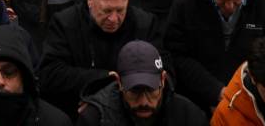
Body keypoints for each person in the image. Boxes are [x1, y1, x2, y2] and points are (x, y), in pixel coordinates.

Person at [38, 0, 165, 113]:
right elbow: (49, 75)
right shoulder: (65, 24)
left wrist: (107, 99)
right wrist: (104, 78)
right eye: (107, 10)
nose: (113, 19)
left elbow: (164, 75)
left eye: (120, 10)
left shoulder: (145, 25)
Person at [75, 39, 205, 126]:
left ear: (163, 80)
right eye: (134, 91)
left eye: (151, 90)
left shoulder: (189, 117)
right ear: (119, 83)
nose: (143, 102)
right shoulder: (95, 119)